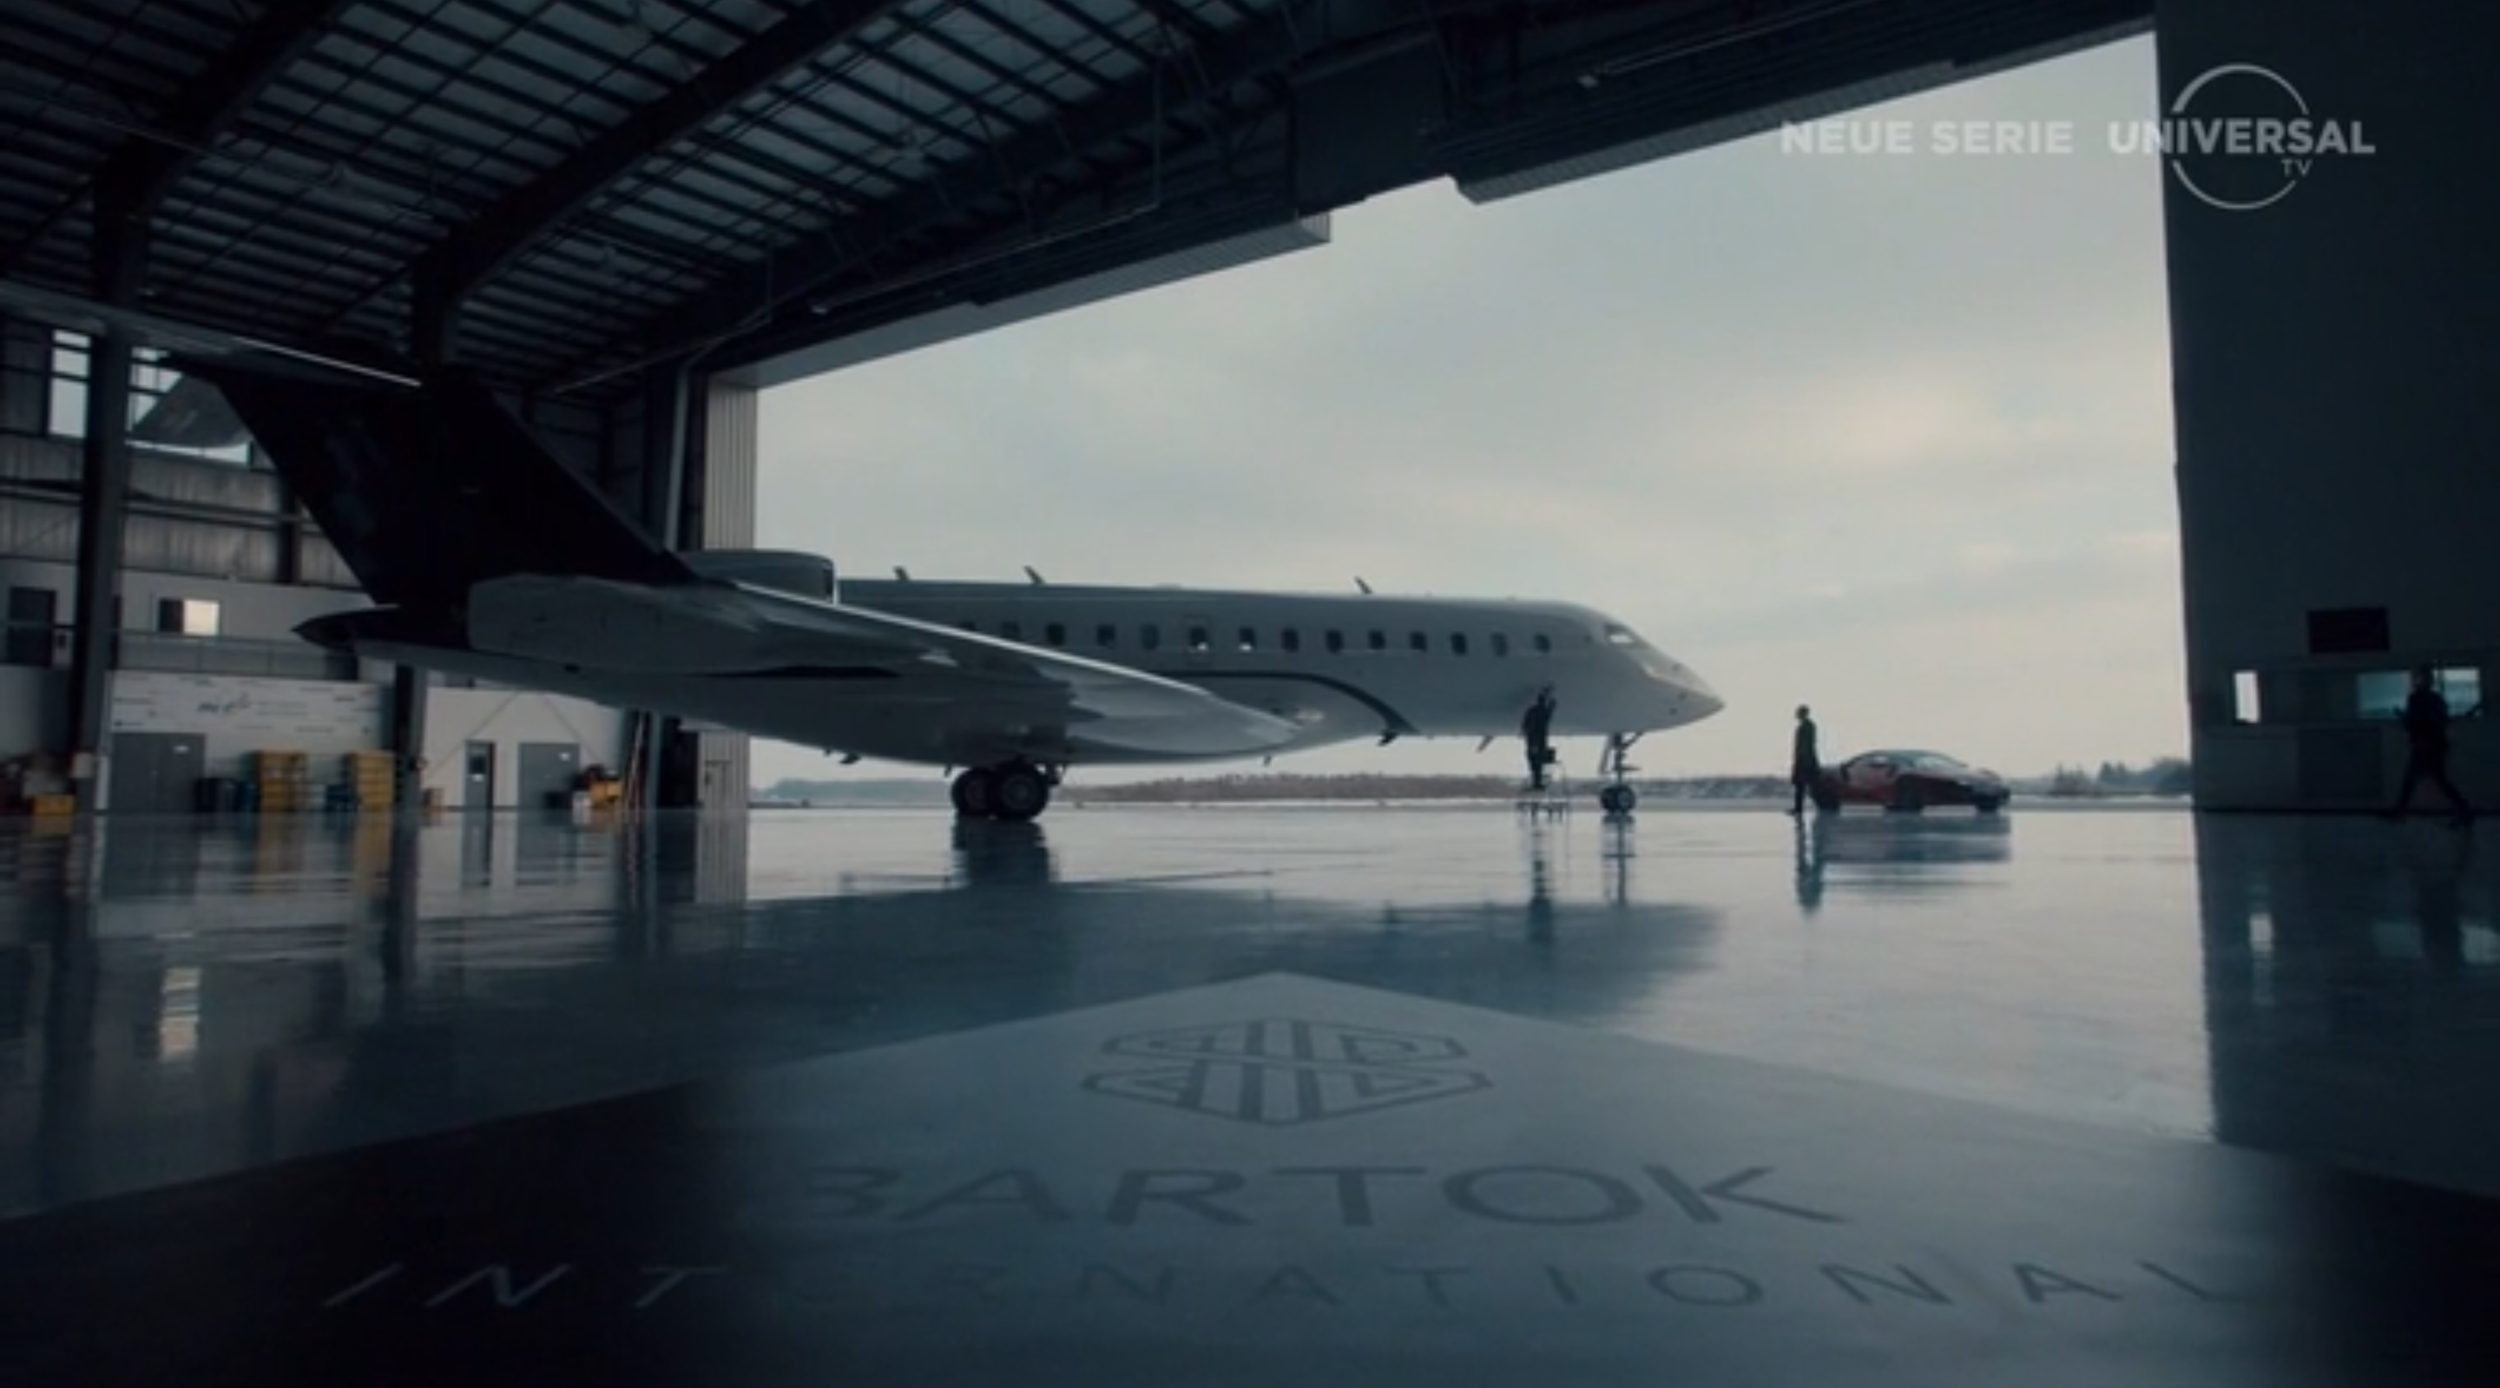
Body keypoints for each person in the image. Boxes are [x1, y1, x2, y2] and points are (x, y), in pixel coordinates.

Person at [2386, 667, 2472, 827]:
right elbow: (2441, 721)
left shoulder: (2416, 699)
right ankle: (2464, 810)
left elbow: (2413, 723)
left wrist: (2402, 716)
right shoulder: (2436, 699)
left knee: (2413, 781)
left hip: (2424, 746)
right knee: (2437, 781)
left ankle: (2400, 812)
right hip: (2435, 745)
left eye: (2416, 678)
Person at [1521, 686, 1557, 790]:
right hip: (1538, 739)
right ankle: (1537, 782)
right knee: (1537, 763)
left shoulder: (1533, 710)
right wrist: (1552, 704)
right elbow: (1549, 713)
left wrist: (1524, 730)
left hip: (1535, 739)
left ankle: (1537, 782)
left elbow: (1526, 723)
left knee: (1536, 763)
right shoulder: (1543, 711)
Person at [1789, 704, 1821, 817]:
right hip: (1804, 759)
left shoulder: (1808, 726)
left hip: (1806, 760)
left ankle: (1818, 805)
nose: (1797, 715)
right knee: (1801, 786)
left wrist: (1801, 759)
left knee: (1809, 785)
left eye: (1799, 712)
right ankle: (1798, 808)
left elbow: (1806, 744)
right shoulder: (1804, 726)